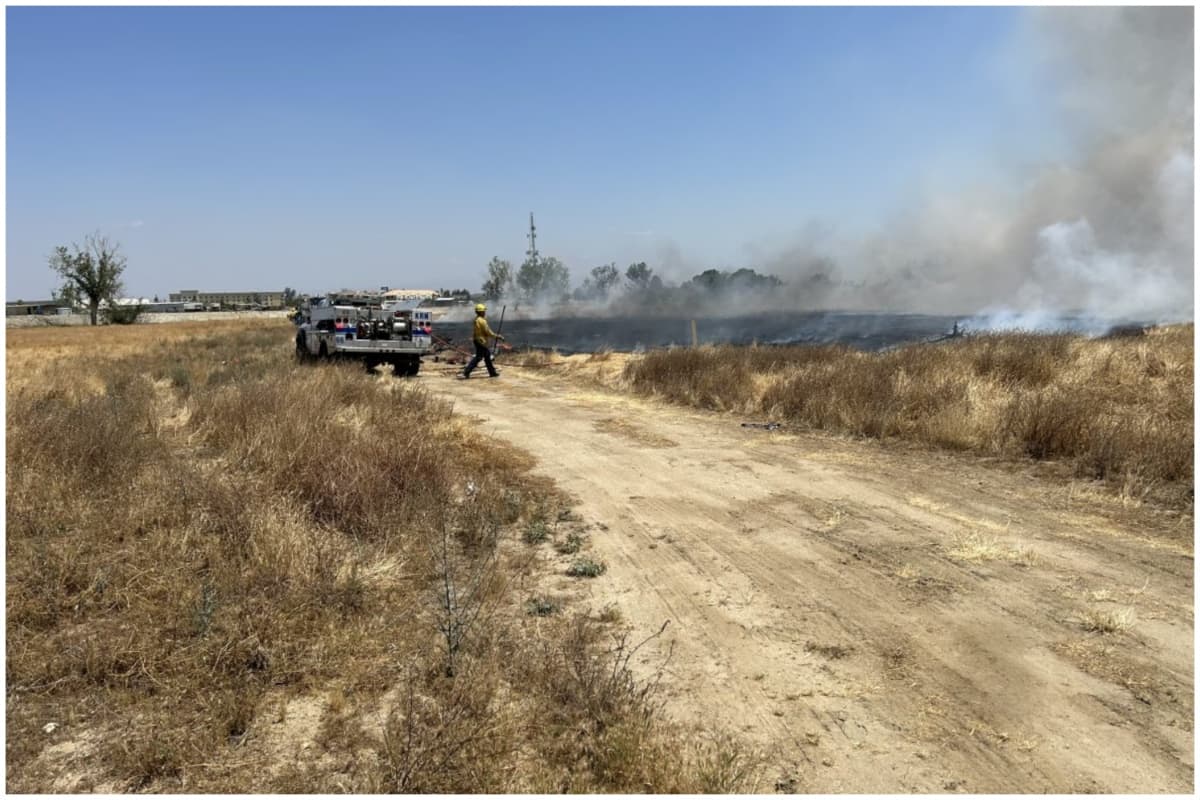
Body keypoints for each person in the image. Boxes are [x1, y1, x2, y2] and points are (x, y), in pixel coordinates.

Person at [460, 303, 505, 379]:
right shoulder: (482, 321)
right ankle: (466, 372)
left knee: (487, 356)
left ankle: (492, 373)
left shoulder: (476, 319)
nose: (485, 312)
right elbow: (488, 332)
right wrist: (498, 336)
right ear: (480, 312)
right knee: (478, 357)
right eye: (483, 311)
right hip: (481, 342)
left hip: (477, 340)